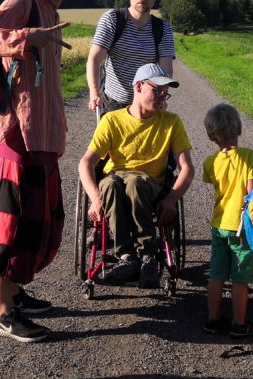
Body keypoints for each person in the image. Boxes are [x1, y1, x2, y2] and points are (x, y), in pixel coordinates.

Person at [0, 0, 93, 343]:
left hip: (42, 134)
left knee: (41, 222)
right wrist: (25, 38)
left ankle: (15, 294)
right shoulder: (23, 2)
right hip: (19, 135)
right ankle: (2, 312)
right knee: (13, 222)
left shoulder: (50, 11)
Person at [78, 63, 194, 288]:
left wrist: (171, 199)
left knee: (134, 182)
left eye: (165, 93)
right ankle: (127, 257)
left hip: (151, 184)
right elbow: (86, 163)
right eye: (157, 91)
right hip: (116, 179)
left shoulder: (171, 122)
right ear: (138, 86)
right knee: (110, 184)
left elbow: (187, 168)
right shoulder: (112, 120)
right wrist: (94, 198)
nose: (162, 97)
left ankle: (148, 255)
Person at [201, 104, 253, 337]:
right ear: (238, 128)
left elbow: (213, 182)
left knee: (217, 273)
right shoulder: (248, 157)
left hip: (219, 224)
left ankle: (213, 319)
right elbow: (252, 193)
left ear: (211, 135)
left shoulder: (210, 161)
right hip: (241, 226)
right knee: (240, 276)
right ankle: (239, 324)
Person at [85, 0, 176, 113]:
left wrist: (162, 97)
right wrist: (94, 92)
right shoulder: (112, 20)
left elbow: (166, 69)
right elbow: (94, 59)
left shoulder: (163, 28)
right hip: (113, 103)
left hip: (146, 104)